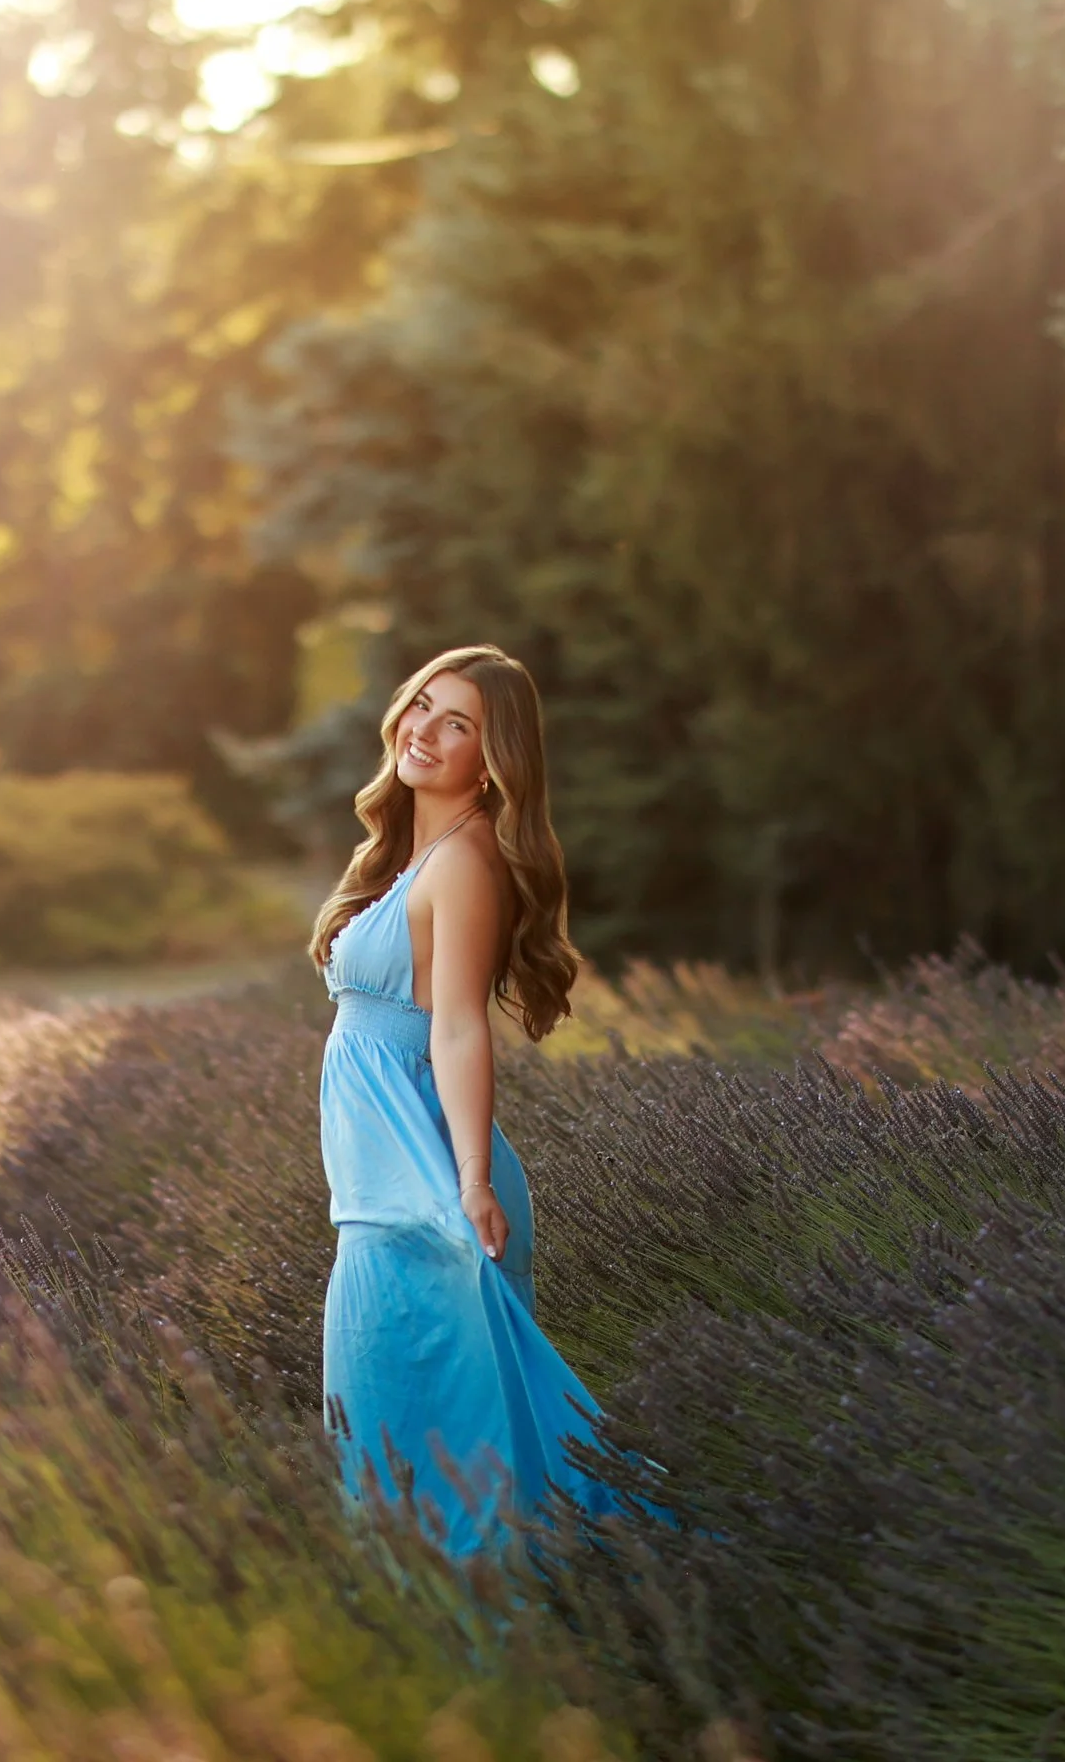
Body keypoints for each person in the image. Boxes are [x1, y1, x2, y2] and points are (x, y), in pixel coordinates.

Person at [309, 642, 622, 1555]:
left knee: (446, 1437)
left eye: (458, 725)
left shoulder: (462, 863)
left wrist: (474, 1182)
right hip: (382, 1185)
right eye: (422, 706)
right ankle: (443, 1606)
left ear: (493, 758)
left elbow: (455, 1028)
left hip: (427, 1186)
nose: (426, 732)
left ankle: (497, 1608)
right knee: (404, 1424)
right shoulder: (421, 853)